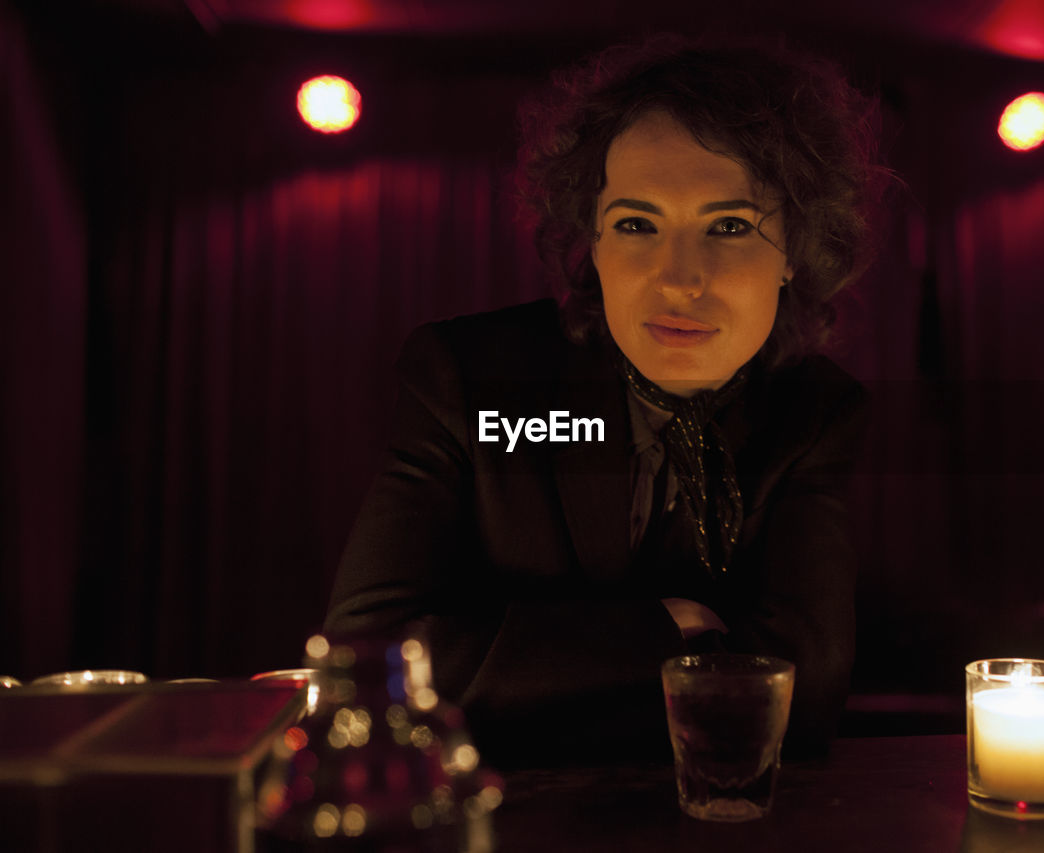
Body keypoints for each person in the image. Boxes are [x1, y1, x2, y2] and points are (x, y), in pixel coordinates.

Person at [324, 35, 882, 763]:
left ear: (794, 254)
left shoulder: (814, 412)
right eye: (637, 224)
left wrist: (515, 680)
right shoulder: (472, 379)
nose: (679, 278)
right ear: (593, 241)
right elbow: (365, 660)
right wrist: (671, 630)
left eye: (731, 226)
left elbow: (799, 705)